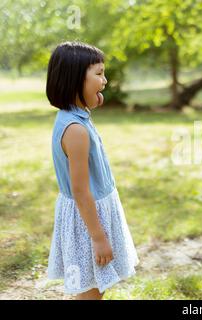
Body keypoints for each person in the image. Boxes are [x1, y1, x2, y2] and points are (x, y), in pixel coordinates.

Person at [46, 41, 139, 300]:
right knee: (91, 291)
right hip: (86, 221)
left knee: (95, 286)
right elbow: (80, 190)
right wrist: (98, 237)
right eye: (99, 74)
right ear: (75, 79)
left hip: (92, 213)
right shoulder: (75, 130)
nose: (105, 81)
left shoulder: (77, 118)